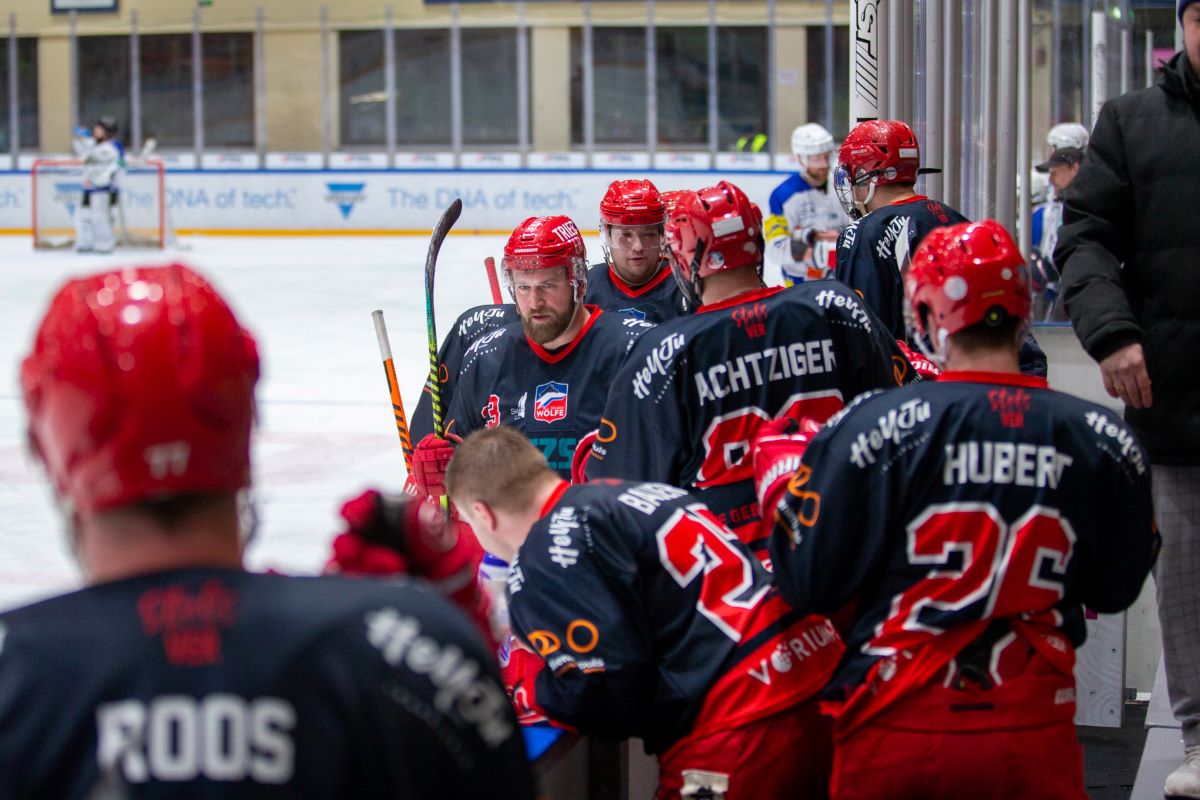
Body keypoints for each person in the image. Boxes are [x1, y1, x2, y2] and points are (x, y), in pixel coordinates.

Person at [1, 263, 535, 799]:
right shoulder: (401, 651)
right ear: (245, 422)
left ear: (48, 449)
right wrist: (456, 650)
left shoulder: (15, 676)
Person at [762, 220, 1157, 800]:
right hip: (1035, 731)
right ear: (1022, 315)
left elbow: (806, 580)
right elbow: (1114, 588)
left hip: (894, 725)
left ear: (923, 318)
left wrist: (785, 488)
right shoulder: (1102, 438)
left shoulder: (870, 427)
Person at [446, 425, 841, 800]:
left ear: (483, 514)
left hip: (742, 721)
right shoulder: (641, 492)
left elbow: (610, 695)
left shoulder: (541, 558)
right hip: (817, 674)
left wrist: (531, 690)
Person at [586, 180, 911, 561]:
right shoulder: (835, 305)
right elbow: (899, 411)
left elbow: (622, 486)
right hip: (843, 544)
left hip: (727, 569)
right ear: (756, 246)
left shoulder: (663, 351)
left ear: (680, 256)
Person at [1055, 3, 1200, 793]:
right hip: (1175, 400)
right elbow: (1083, 240)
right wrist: (1110, 333)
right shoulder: (1133, 123)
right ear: (1182, 23)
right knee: (1186, 584)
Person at [412, 215, 653, 492]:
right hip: (512, 530)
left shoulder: (637, 351)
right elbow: (463, 458)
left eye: (547, 286)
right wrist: (445, 466)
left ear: (580, 283)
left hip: (605, 528)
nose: (534, 302)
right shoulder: (485, 356)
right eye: (524, 287)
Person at [833, 119, 1048, 377]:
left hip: (913, 400)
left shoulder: (862, 234)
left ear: (865, 176)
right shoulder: (954, 219)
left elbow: (860, 338)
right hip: (982, 383)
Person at [584, 179, 687, 322]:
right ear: (607, 236)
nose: (638, 247)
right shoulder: (586, 285)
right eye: (625, 235)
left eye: (648, 234)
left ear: (662, 235)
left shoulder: (687, 287)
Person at [764, 123, 849, 286]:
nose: (824, 164)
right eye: (816, 158)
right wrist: (813, 248)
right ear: (800, 158)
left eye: (827, 156)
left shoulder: (843, 186)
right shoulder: (783, 195)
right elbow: (775, 248)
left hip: (840, 280)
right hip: (801, 283)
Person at [1028, 146, 1084, 320]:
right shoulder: (1063, 206)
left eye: (1055, 173)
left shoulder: (1089, 205)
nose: (1051, 180)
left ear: (1075, 169)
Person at [72, 116, 123, 254]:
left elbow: (93, 157)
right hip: (90, 187)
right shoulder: (96, 144)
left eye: (99, 128)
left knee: (100, 217)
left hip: (104, 188)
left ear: (107, 131)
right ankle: (86, 242)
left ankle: (104, 243)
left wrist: (84, 145)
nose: (95, 130)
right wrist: (79, 139)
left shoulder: (111, 147)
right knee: (84, 215)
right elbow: (83, 152)